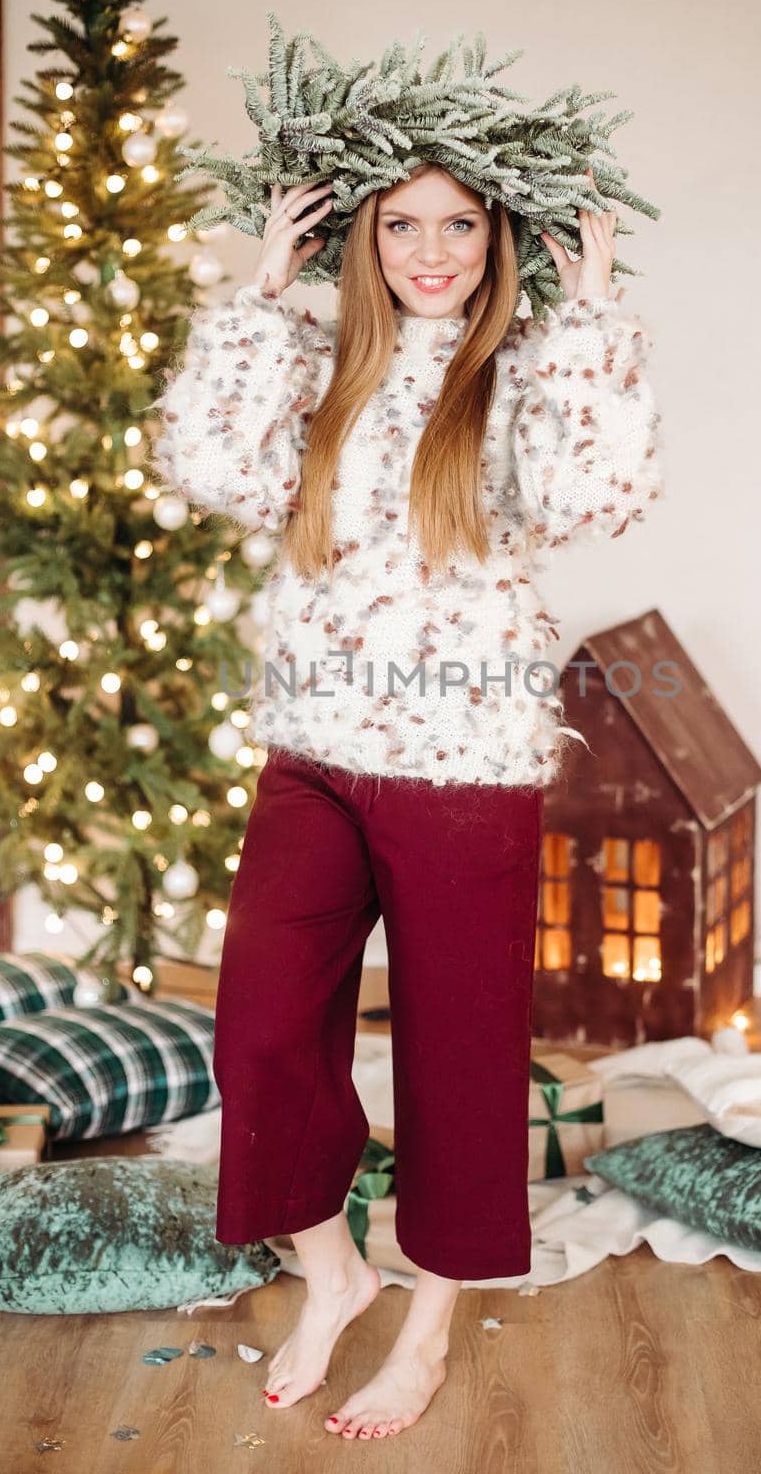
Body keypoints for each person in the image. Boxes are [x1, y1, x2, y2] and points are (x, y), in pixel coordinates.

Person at [150, 162, 662, 1441]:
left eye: (459, 224)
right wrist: (261, 298)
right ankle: (335, 1272)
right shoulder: (320, 361)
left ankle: (427, 1331)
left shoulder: (527, 367)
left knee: (460, 1058)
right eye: (401, 224)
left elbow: (598, 497)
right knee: (262, 1029)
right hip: (315, 750)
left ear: (497, 241)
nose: (430, 250)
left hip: (465, 767)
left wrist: (591, 318)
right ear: (363, 239)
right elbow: (210, 464)